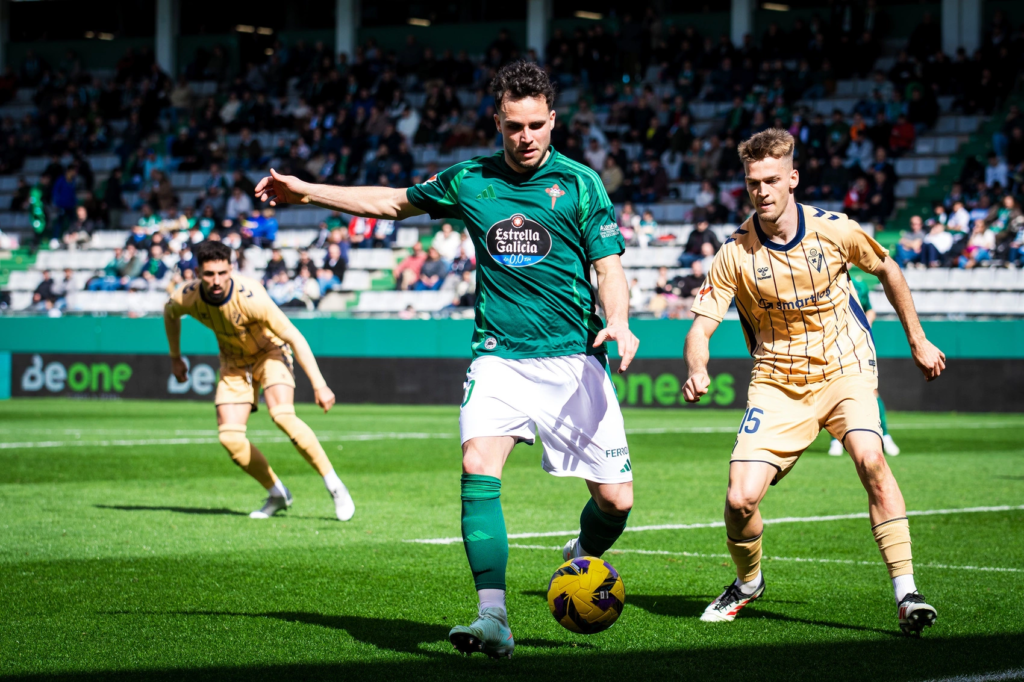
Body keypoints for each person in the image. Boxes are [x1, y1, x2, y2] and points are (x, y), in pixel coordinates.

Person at [254, 60, 638, 659]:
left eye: (537, 124)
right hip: (498, 359)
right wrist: (306, 189)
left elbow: (609, 268)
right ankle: (494, 618)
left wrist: (618, 321)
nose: (527, 137)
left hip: (573, 359)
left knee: (616, 502)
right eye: (514, 126)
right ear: (498, 123)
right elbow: (389, 202)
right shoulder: (470, 179)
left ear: (553, 120)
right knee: (477, 467)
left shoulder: (582, 184)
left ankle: (582, 551)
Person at [682, 129, 945, 636]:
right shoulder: (735, 253)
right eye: (753, 182)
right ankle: (749, 581)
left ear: (793, 178)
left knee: (871, 457)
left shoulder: (836, 230)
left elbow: (889, 270)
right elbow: (700, 326)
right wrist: (698, 366)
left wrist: (917, 339)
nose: (762, 191)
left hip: (844, 367)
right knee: (740, 500)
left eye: (772, 180)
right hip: (777, 382)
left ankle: (906, 591)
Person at [164, 240, 355, 522]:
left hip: (270, 352)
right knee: (229, 437)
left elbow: (294, 336)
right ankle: (277, 493)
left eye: (221, 273)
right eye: (208, 274)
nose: (216, 281)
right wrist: (175, 357)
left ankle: (335, 486)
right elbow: (170, 314)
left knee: (282, 415)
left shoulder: (251, 296)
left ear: (231, 268)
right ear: (197, 273)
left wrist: (319, 384)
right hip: (233, 362)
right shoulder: (186, 297)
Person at [828, 274, 900, 457]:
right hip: (831, 345)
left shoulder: (859, 285)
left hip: (858, 346)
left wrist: (863, 325)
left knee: (871, 390)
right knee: (831, 390)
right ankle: (836, 440)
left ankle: (884, 435)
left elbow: (870, 309)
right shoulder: (823, 280)